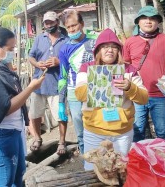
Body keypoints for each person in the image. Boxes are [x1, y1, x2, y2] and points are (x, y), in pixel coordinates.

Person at [0, 27, 45, 187]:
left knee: (18, 173)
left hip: (12, 130)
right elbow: (5, 108)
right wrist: (30, 88)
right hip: (3, 134)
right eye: (11, 49)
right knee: (5, 180)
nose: (14, 52)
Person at [74, 28, 148, 170]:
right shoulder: (87, 68)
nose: (110, 50)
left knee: (121, 171)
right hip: (94, 132)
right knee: (93, 172)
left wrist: (129, 87)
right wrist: (100, 81)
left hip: (123, 133)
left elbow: (143, 98)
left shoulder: (129, 70)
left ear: (119, 51)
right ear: (97, 51)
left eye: (114, 47)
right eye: (105, 47)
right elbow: (80, 94)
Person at [123, 6, 165, 143]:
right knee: (137, 132)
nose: (148, 21)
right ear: (138, 21)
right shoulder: (130, 42)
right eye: (144, 18)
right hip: (136, 95)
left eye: (152, 18)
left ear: (158, 22)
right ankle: (140, 162)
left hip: (161, 96)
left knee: (163, 133)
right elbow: (125, 69)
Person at [28, 11, 68, 154]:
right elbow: (30, 56)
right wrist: (37, 64)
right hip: (38, 82)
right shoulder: (39, 38)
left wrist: (59, 61)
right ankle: (38, 138)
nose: (49, 25)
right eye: (46, 23)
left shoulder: (65, 40)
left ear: (57, 22)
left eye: (51, 22)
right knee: (35, 113)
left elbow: (71, 59)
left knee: (60, 115)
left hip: (57, 84)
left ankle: (62, 141)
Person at [58, 10, 95, 154]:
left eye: (74, 25)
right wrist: (61, 102)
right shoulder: (64, 49)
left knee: (96, 126)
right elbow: (63, 75)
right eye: (69, 27)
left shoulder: (94, 43)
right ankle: (87, 161)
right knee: (80, 128)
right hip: (73, 92)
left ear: (82, 24)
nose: (72, 29)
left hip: (94, 89)